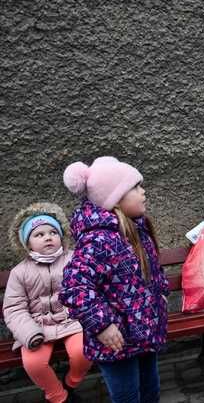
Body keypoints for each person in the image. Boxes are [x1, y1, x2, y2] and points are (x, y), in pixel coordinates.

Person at [60, 157, 169, 403]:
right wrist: (102, 326)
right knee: (128, 397)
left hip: (144, 332)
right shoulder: (99, 241)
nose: (143, 192)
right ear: (115, 198)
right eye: (136, 187)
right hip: (115, 342)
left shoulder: (136, 230)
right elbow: (74, 288)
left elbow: (152, 268)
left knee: (151, 391)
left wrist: (160, 293)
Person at [3, 202, 92, 403]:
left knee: (84, 351)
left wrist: (85, 317)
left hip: (72, 321)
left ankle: (71, 382)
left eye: (53, 232)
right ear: (27, 243)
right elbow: (14, 308)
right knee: (34, 363)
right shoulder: (20, 272)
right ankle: (58, 396)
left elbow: (87, 290)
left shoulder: (74, 260)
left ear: (61, 236)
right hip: (37, 327)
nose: (48, 237)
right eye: (39, 234)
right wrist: (29, 332)